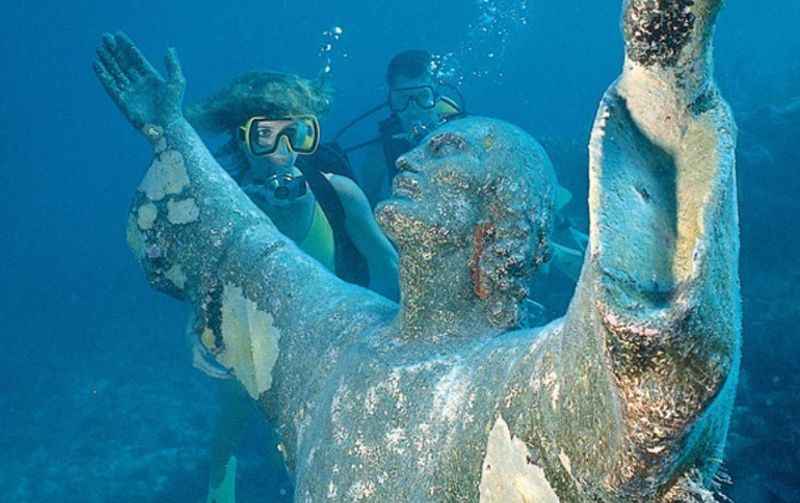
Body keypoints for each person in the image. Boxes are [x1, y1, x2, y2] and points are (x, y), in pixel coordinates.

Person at [94, 0, 741, 500]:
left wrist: (664, 65)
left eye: (448, 151)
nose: (410, 154)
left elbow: (650, 346)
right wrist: (169, 128)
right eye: (424, 145)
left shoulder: (523, 382)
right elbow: (245, 245)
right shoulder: (333, 331)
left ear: (500, 224)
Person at [176, 70, 399, 502]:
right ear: (242, 140)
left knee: (308, 441)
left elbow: (385, 261)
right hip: (251, 345)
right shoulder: (224, 208)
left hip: (329, 338)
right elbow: (201, 285)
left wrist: (393, 328)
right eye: (265, 137)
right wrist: (198, 333)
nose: (282, 153)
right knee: (226, 440)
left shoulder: (340, 192)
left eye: (296, 135)